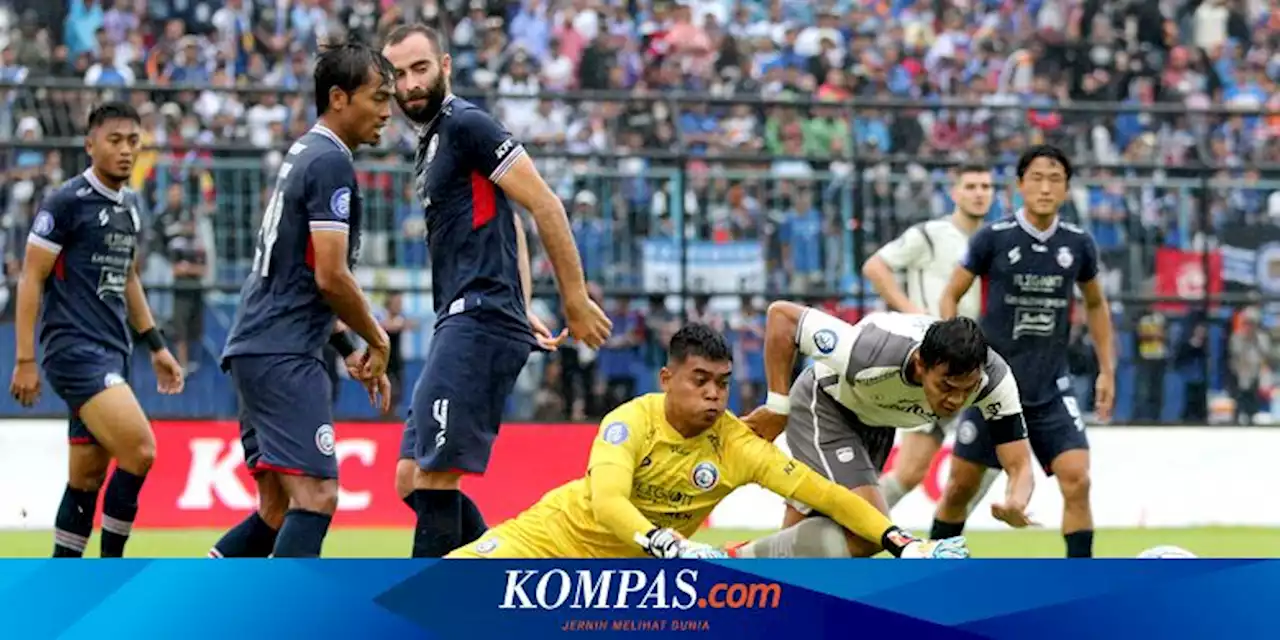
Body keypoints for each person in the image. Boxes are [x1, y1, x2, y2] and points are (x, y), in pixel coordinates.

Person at [447, 323, 968, 560]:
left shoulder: (735, 444)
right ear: (666, 377)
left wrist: (901, 542)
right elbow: (607, 503)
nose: (715, 395)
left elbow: (826, 495)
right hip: (545, 542)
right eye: (700, 381)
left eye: (722, 382)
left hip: (635, 578)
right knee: (438, 592)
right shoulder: (628, 421)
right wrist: (665, 542)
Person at [381, 24, 610, 558]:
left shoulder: (467, 125)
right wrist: (524, 302)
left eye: (420, 68)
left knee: (435, 478)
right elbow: (510, 222)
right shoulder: (431, 140)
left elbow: (545, 204)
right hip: (467, 317)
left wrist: (572, 299)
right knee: (410, 479)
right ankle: (499, 575)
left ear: (445, 65)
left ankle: (427, 616)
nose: (411, 83)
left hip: (477, 320)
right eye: (398, 74)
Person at [210, 42, 395, 559]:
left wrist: (345, 348)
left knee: (275, 507)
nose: (387, 111)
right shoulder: (331, 161)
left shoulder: (304, 153)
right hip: (282, 353)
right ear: (339, 97)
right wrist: (378, 340)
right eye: (378, 97)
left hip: (260, 344)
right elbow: (330, 276)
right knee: (317, 495)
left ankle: (195, 601)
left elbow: (297, 274)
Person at [10, 101, 185, 558]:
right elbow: (31, 277)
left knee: (86, 477)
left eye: (133, 141)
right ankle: (112, 573)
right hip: (74, 350)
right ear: (90, 146)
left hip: (113, 351)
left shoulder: (130, 208)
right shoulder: (66, 202)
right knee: (141, 450)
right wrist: (25, 358)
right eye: (114, 140)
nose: (126, 150)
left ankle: (63, 581)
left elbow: (127, 278)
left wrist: (156, 345)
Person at [931, 144, 1116, 558]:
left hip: (1051, 385)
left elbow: (1095, 304)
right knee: (959, 487)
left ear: (1066, 190)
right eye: (1036, 178)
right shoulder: (992, 238)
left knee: (1077, 480)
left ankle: (1079, 583)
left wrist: (1107, 370)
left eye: (1055, 180)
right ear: (1018, 187)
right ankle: (931, 576)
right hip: (992, 387)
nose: (1045, 188)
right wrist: (955, 354)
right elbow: (950, 295)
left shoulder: (1078, 244)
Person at [739, 305, 1037, 558]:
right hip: (825, 406)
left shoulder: (994, 382)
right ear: (920, 365)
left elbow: (1020, 464)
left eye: (966, 390)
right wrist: (778, 406)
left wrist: (1016, 501)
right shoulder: (869, 350)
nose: (956, 401)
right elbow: (782, 317)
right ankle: (744, 559)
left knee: (816, 532)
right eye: (945, 386)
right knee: (871, 530)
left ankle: (746, 567)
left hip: (878, 424)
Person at [862, 164, 1002, 513]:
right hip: (935, 365)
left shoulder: (994, 240)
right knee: (909, 473)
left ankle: (945, 534)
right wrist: (913, 313)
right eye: (971, 185)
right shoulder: (930, 234)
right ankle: (851, 524)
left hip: (976, 365)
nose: (979, 192)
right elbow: (875, 266)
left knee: (1002, 449)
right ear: (955, 193)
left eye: (986, 185)